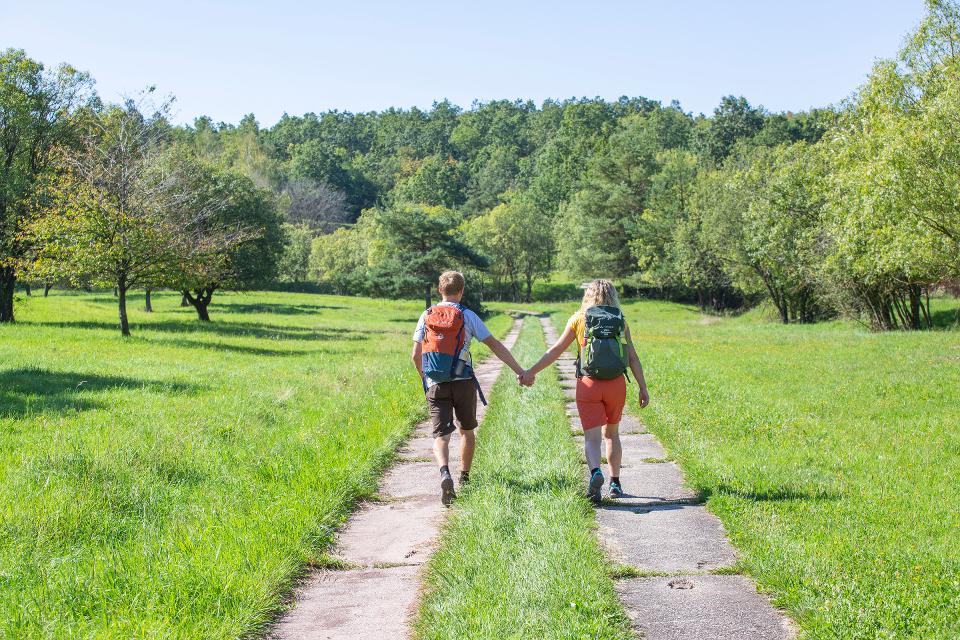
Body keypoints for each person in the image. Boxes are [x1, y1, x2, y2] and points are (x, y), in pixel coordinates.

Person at [520, 279, 649, 503]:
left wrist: (531, 371)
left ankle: (595, 473)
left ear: (588, 295)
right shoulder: (621, 321)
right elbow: (633, 357)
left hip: (588, 384)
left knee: (592, 438)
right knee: (612, 434)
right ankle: (615, 483)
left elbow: (555, 351)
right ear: (613, 296)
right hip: (616, 384)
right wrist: (642, 387)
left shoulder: (579, 319)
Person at [412, 271, 526, 506]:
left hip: (436, 384)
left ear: (439, 290)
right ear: (461, 291)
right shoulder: (467, 315)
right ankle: (464, 477)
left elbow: (415, 354)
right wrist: (519, 371)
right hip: (463, 382)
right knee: (467, 431)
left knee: (441, 436)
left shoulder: (426, 315)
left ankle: (445, 472)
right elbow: (495, 345)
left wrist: (426, 379)